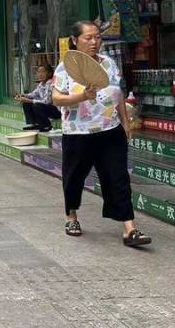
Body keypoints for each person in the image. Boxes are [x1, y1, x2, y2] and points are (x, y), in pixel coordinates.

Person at [52, 20, 151, 247]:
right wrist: (82, 97)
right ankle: (71, 217)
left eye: (97, 37)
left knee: (118, 177)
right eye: (88, 38)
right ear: (75, 41)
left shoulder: (109, 64)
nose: (94, 42)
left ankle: (129, 229)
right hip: (78, 133)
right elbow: (57, 99)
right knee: (74, 177)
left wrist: (125, 123)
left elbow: (118, 94)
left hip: (110, 131)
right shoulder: (64, 68)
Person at [15, 65, 61, 132]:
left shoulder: (51, 83)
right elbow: (34, 94)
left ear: (50, 73)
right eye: (38, 72)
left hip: (57, 111)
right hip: (48, 108)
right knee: (27, 103)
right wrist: (23, 95)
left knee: (36, 105)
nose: (40, 74)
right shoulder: (41, 84)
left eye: (43, 72)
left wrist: (29, 100)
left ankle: (47, 125)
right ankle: (36, 124)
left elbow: (47, 101)